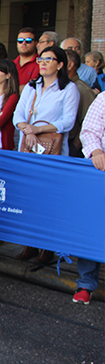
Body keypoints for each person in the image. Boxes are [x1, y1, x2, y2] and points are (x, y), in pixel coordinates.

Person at [13, 45, 79, 264]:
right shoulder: (31, 87)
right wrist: (26, 128)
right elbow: (18, 115)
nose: (42, 62)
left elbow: (68, 120)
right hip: (29, 147)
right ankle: (30, 244)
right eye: (41, 59)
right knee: (29, 197)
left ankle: (47, 248)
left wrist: (38, 129)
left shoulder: (69, 89)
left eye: (48, 59)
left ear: (60, 64)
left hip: (53, 152)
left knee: (49, 200)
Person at [75, 92, 105, 304]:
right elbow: (90, 130)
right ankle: (86, 283)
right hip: (102, 171)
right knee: (95, 227)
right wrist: (96, 151)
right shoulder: (104, 98)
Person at [65, 48, 98, 158]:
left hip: (72, 148)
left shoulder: (82, 89)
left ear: (69, 65)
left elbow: (88, 123)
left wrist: (74, 147)